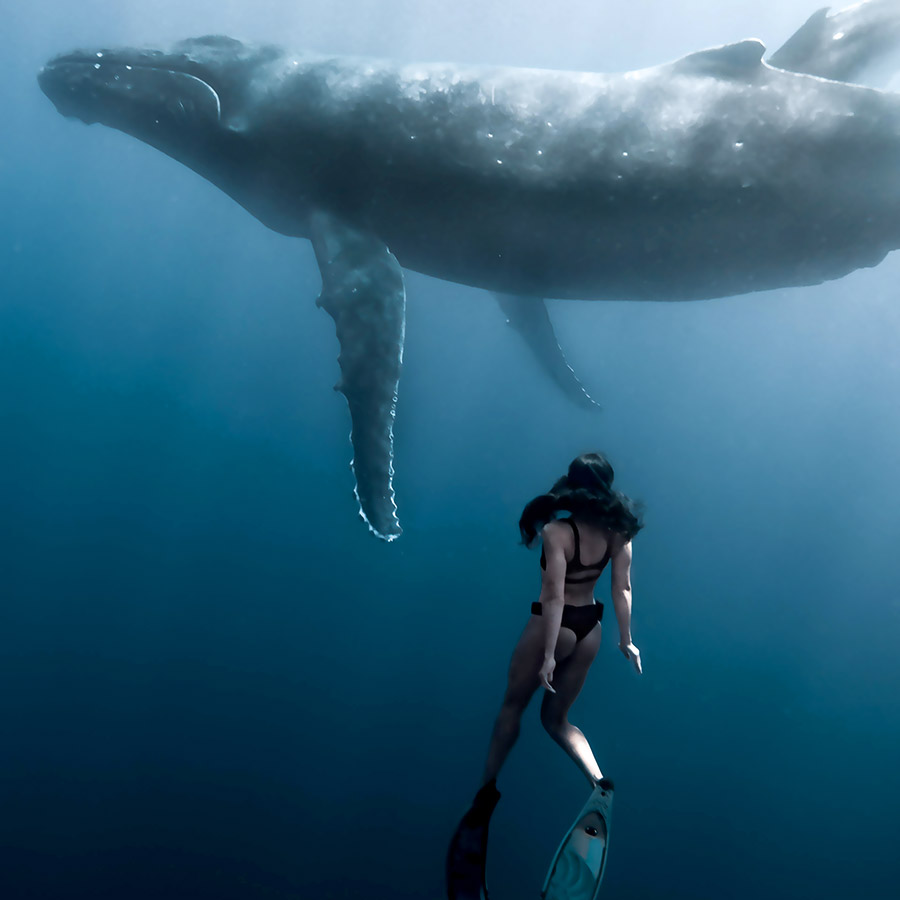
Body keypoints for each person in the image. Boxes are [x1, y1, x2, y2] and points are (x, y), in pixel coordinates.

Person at [447, 452, 642, 900]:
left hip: (553, 629)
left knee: (511, 708)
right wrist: (626, 641)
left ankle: (484, 796)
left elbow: (554, 595)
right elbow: (622, 589)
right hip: (591, 629)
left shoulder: (558, 531)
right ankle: (599, 782)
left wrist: (550, 653)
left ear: (572, 485)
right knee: (558, 722)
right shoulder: (619, 533)